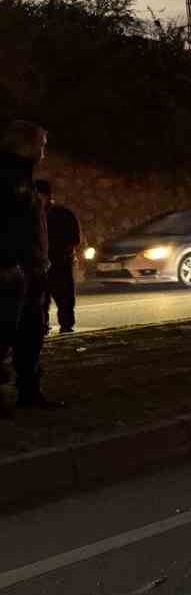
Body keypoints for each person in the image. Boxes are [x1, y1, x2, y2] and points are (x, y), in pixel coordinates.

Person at [0, 121, 55, 410]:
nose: (44, 153)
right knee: (5, 333)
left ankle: (29, 391)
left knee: (31, 333)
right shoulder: (8, 177)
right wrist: (7, 262)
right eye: (42, 146)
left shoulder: (23, 176)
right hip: (12, 271)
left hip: (30, 269)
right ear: (24, 144)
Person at [35, 180, 80, 335]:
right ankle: (43, 328)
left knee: (64, 300)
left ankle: (66, 328)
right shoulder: (31, 215)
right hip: (39, 265)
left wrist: (64, 254)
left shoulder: (62, 214)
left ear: (46, 196)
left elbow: (74, 239)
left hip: (59, 263)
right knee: (40, 302)